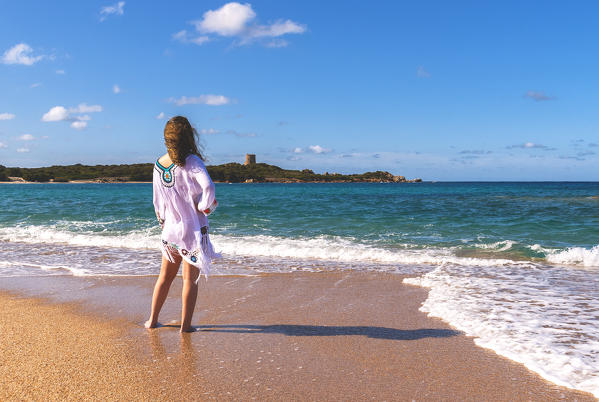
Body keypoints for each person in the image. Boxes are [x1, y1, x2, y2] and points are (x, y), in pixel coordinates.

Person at [145, 116, 220, 332]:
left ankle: (152, 320)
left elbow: (157, 202)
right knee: (190, 281)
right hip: (193, 232)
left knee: (164, 279)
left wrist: (163, 223)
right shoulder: (193, 162)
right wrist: (205, 208)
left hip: (170, 231)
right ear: (189, 136)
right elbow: (209, 187)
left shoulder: (159, 165)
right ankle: (185, 326)